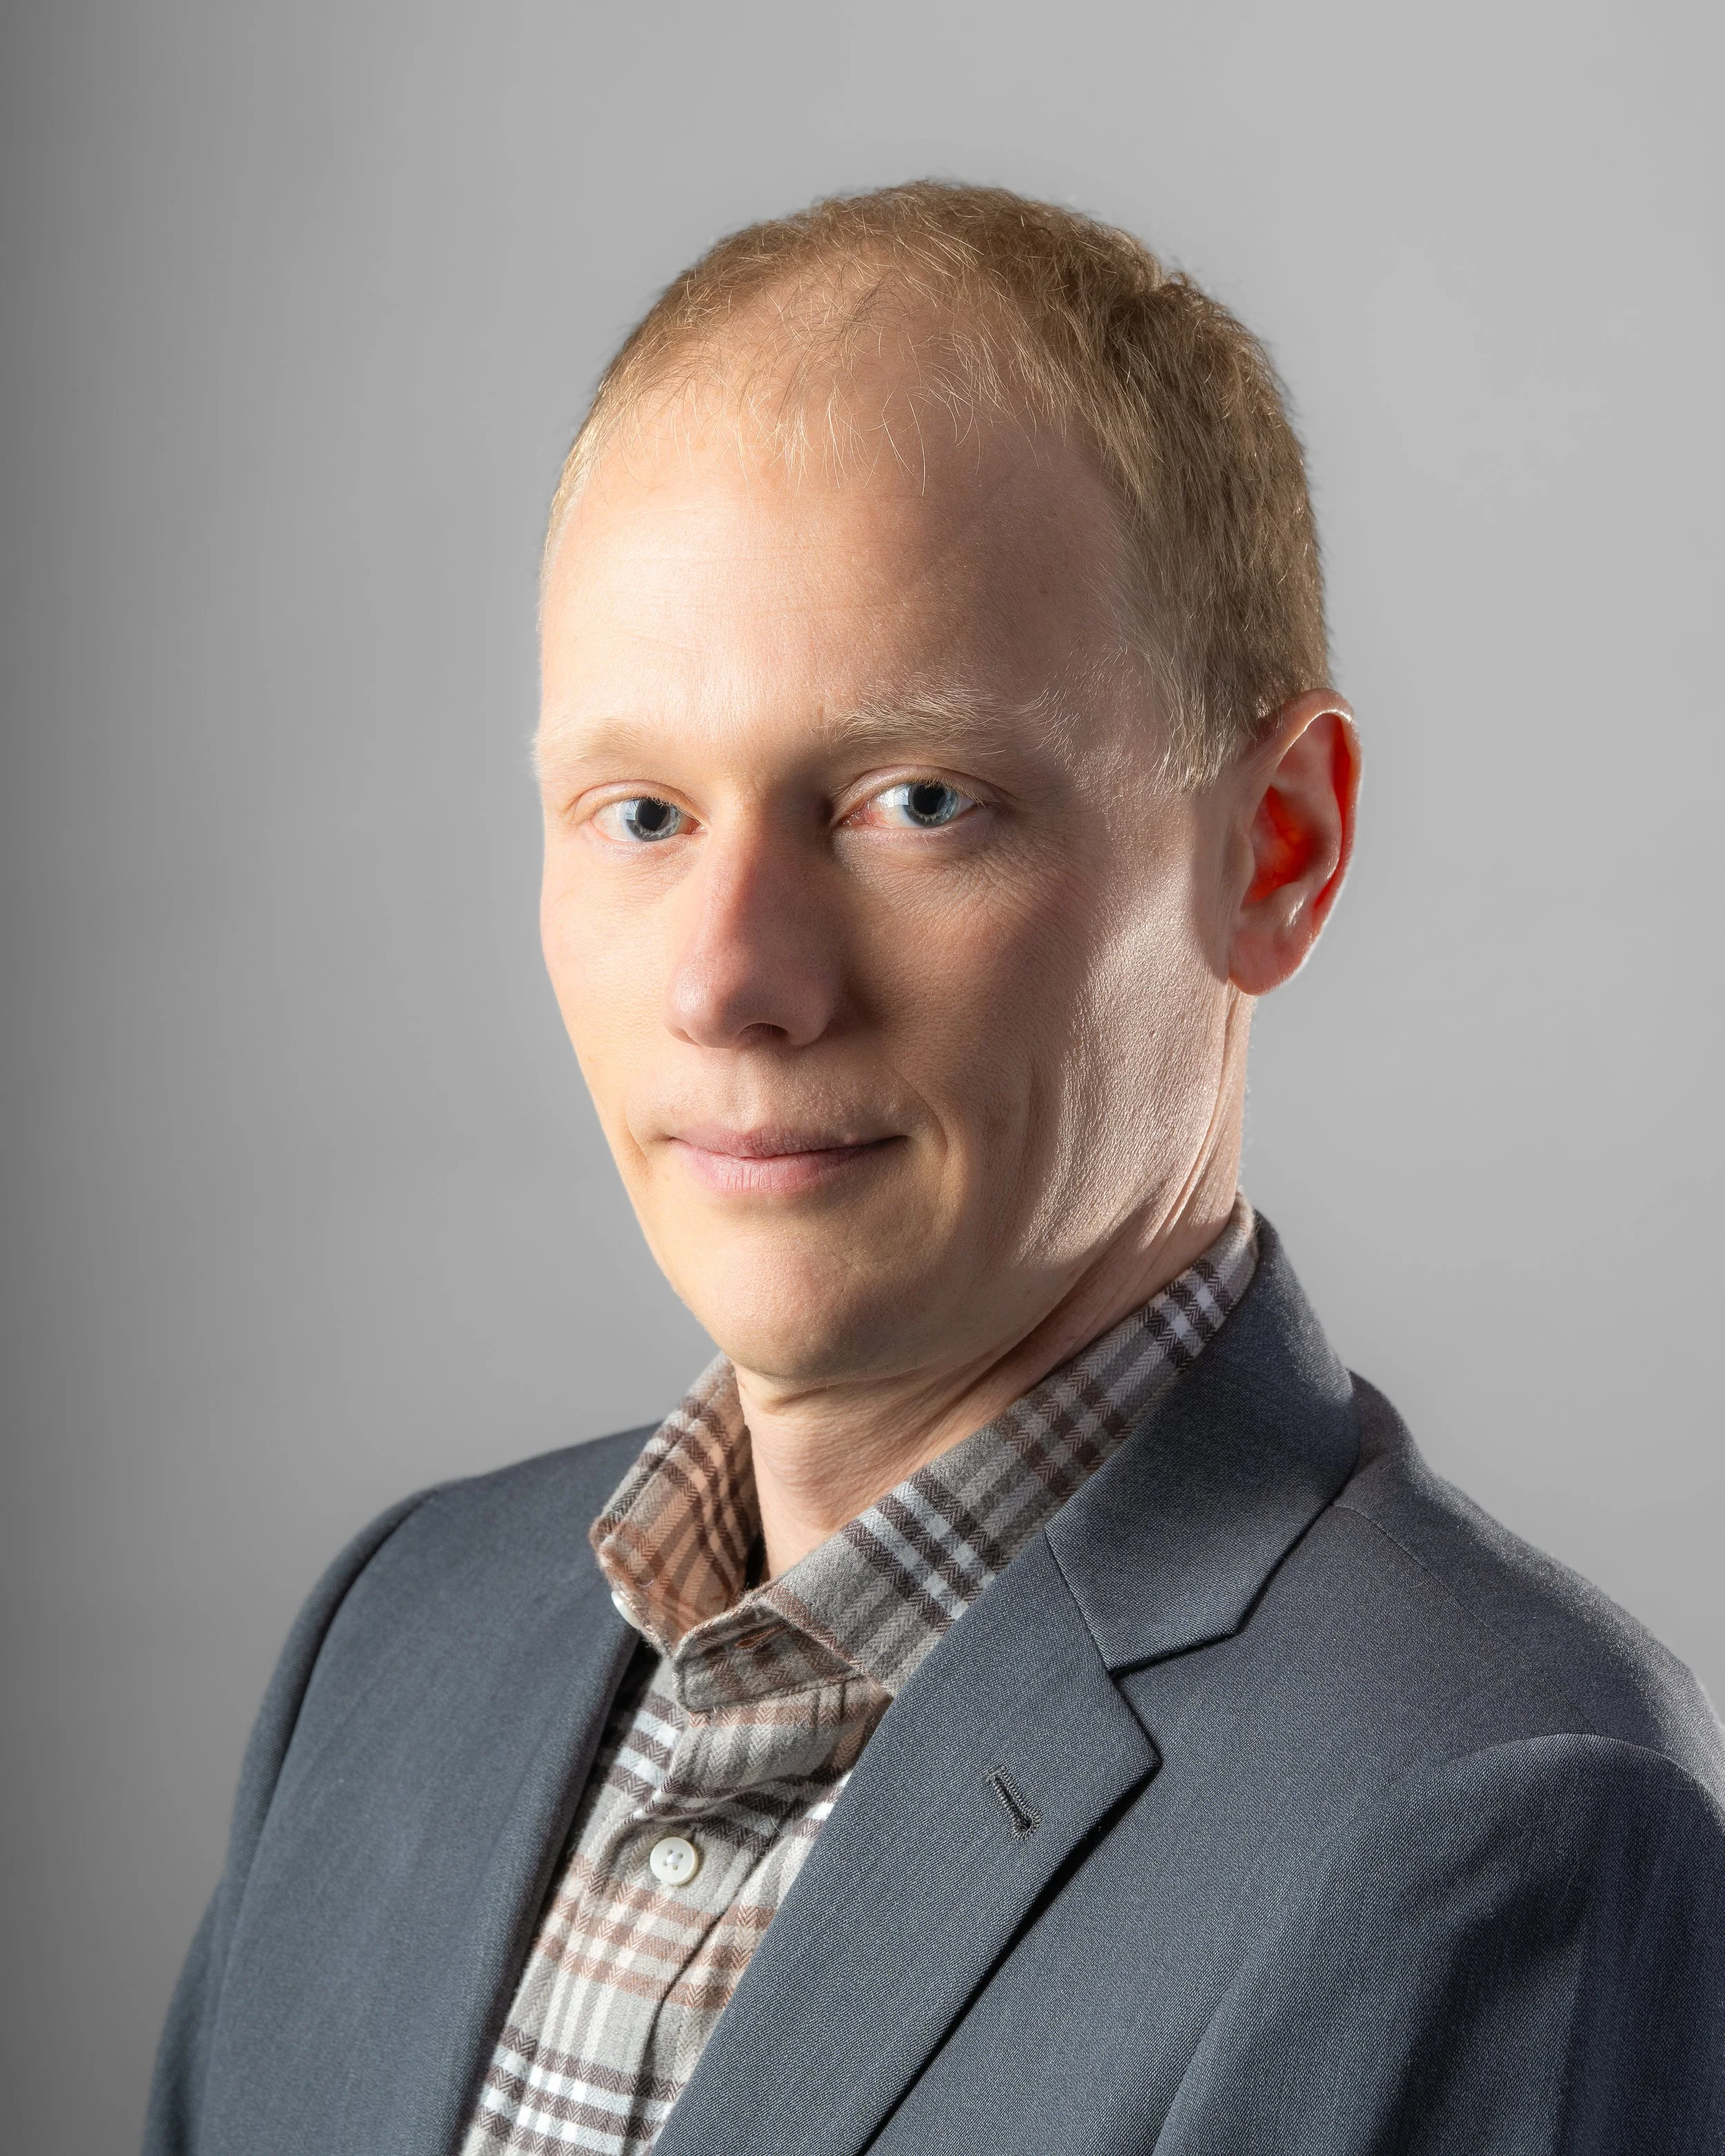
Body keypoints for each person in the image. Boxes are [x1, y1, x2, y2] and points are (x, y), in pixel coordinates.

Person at [145, 184, 1725, 2156]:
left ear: (1279, 848)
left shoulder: (1485, 1819)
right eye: (639, 810)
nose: (730, 977)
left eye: (914, 802)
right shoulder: (395, 1639)